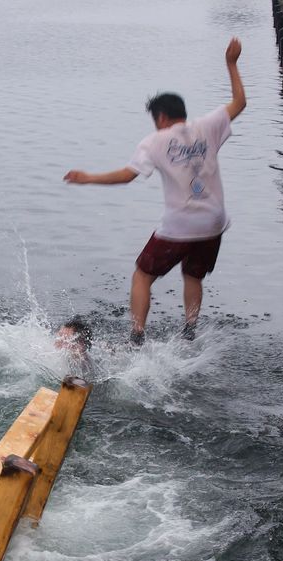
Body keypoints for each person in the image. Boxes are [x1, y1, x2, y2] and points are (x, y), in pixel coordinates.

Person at [64, 39, 246, 344]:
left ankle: (137, 334)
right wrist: (231, 63)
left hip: (180, 226)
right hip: (214, 222)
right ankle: (190, 329)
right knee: (193, 275)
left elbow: (126, 176)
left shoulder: (154, 141)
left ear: (161, 117)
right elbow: (240, 102)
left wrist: (88, 178)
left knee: (142, 275)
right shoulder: (209, 126)